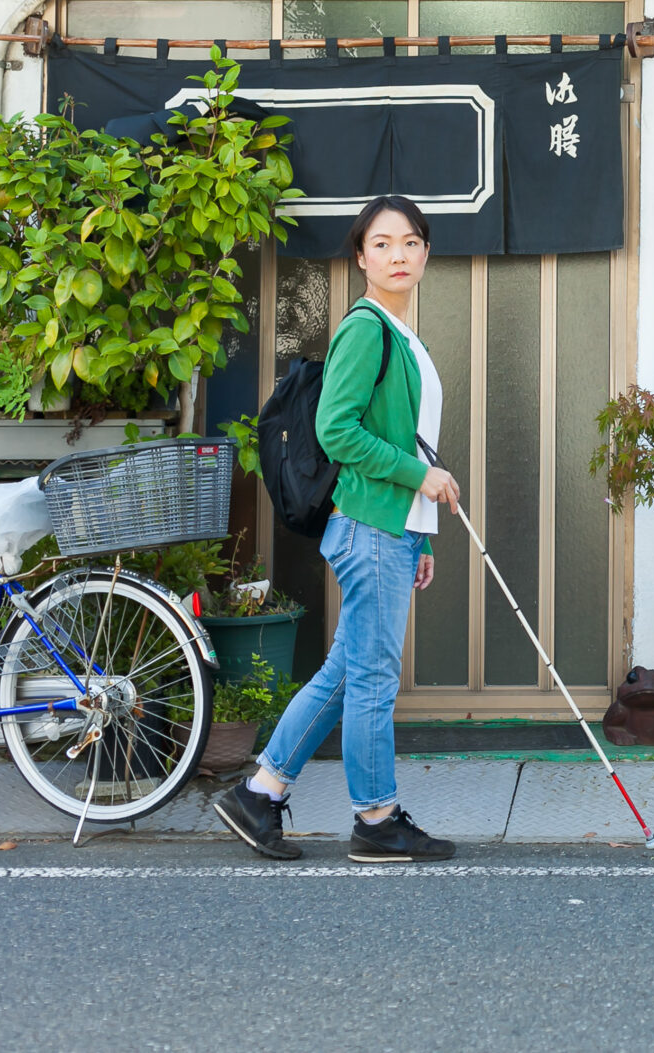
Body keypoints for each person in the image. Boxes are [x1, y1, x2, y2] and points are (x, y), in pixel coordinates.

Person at [214, 196, 462, 863]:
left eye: (410, 242)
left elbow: (406, 439)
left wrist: (423, 532)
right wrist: (419, 482)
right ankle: (376, 818)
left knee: (344, 673)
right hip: (369, 530)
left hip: (390, 532)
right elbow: (337, 430)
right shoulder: (365, 328)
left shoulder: (403, 334)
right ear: (360, 257)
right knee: (373, 678)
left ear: (426, 253)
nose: (398, 254)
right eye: (381, 244)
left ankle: (259, 792)